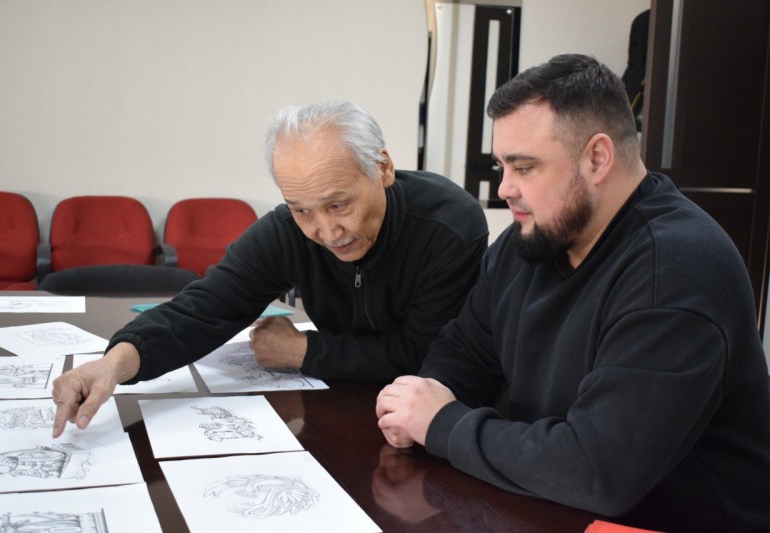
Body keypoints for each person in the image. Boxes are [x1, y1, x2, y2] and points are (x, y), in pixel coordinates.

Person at [376, 54, 770, 532]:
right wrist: (425, 398)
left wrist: (442, 424)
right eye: (502, 166)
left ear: (597, 158)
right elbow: (466, 350)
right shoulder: (530, 241)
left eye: (524, 167)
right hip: (549, 503)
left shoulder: (677, 270)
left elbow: (599, 472)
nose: (505, 189)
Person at [52, 99, 488, 437]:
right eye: (301, 209)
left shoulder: (449, 226)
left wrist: (304, 352)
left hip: (420, 422)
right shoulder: (288, 231)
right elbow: (205, 308)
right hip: (332, 410)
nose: (326, 231)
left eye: (339, 205)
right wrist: (114, 364)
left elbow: (428, 354)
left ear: (383, 168)